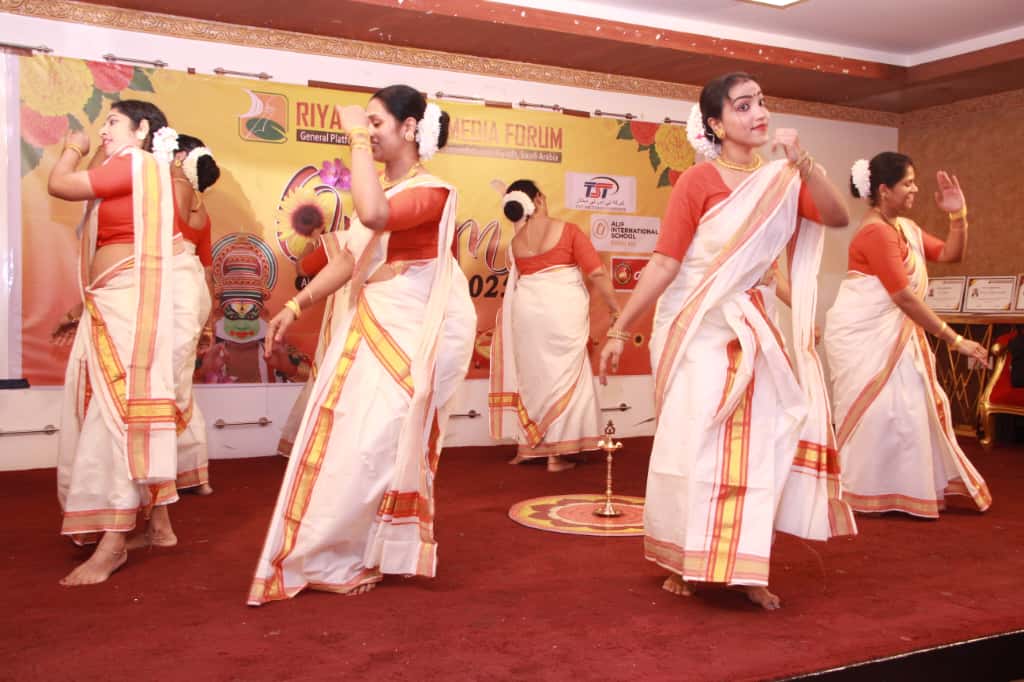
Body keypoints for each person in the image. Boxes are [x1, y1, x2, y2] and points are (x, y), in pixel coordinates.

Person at [598, 72, 856, 610]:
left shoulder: (782, 179)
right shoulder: (698, 181)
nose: (758, 113)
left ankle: (746, 566)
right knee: (695, 443)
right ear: (715, 124)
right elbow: (666, 263)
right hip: (698, 327)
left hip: (755, 328)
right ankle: (687, 560)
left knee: (760, 447)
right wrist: (621, 327)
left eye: (761, 102)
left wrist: (805, 163)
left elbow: (836, 217)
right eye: (743, 106)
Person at [248, 85, 476, 605]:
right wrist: (295, 306)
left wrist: (352, 135)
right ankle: (341, 550)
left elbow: (375, 216)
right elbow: (350, 261)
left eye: (377, 123)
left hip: (415, 330)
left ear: (410, 128)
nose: (368, 133)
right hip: (375, 319)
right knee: (354, 437)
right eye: (365, 124)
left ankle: (369, 549)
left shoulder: (434, 191)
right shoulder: (386, 191)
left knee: (382, 439)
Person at [46, 100, 204, 584]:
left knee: (116, 417)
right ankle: (157, 524)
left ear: (142, 130)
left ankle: (113, 542)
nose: (102, 129)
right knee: (120, 411)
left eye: (112, 121)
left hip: (129, 302)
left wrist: (73, 148)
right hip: (115, 299)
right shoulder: (134, 168)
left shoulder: (135, 164)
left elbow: (60, 184)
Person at [824, 152, 991, 518]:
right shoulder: (876, 233)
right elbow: (902, 296)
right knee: (880, 412)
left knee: (909, 407)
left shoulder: (905, 228)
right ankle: (864, 489)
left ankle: (901, 488)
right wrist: (956, 340)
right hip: (864, 336)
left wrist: (958, 215)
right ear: (885, 190)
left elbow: (950, 253)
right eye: (908, 183)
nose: (915, 189)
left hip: (893, 332)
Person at [489, 180, 619, 472]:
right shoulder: (568, 231)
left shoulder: (517, 243)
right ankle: (557, 455)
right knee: (565, 376)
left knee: (535, 377)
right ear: (539, 198)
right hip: (561, 312)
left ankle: (530, 447)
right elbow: (597, 273)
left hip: (527, 314)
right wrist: (615, 309)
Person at [170, 133, 220, 495]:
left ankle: (162, 474)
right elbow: (207, 271)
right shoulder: (202, 209)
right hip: (193, 291)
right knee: (180, 383)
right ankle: (192, 473)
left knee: (166, 384)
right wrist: (208, 319)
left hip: (174, 285)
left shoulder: (172, 193)